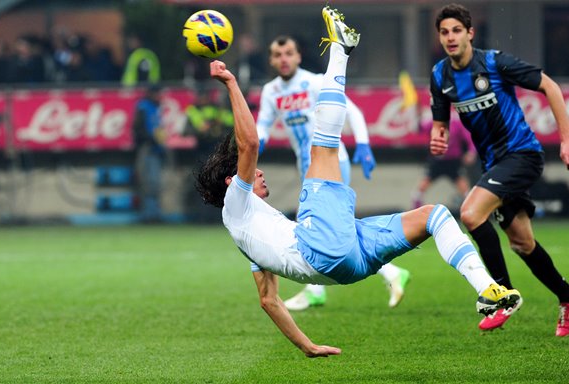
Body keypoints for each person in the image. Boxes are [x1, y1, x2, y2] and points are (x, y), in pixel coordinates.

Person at [195, 6, 521, 357]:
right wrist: (230, 82)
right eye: (249, 173)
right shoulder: (236, 204)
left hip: (348, 266)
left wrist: (307, 346)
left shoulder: (247, 236)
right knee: (321, 148)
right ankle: (340, 48)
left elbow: (268, 300)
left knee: (435, 216)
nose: (258, 173)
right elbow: (250, 143)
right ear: (232, 182)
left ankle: (489, 291)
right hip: (320, 246)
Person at [430, 3, 569, 336]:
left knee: (470, 213)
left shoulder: (494, 62)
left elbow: (549, 86)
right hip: (493, 163)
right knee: (523, 244)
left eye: (456, 30)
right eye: (444, 32)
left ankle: (502, 295)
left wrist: (565, 140)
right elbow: (440, 122)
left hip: (522, 155)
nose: (450, 37)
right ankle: (567, 298)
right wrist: (439, 137)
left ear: (470, 33)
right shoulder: (440, 75)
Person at [256, 34, 410, 311]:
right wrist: (256, 142)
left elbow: (354, 111)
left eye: (289, 53)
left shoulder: (314, 82)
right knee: (329, 227)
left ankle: (320, 289)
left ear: (298, 56)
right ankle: (387, 273)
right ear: (271, 60)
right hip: (306, 167)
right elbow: (263, 125)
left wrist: (363, 145)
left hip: (332, 161)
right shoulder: (271, 91)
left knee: (323, 227)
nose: (284, 59)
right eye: (278, 55)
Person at [412, 115, 476, 210]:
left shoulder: (457, 123)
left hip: (453, 162)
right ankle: (417, 208)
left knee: (465, 190)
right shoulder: (432, 122)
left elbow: (469, 139)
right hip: (437, 161)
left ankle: (471, 209)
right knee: (420, 188)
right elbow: (419, 129)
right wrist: (416, 118)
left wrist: (471, 152)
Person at [132, 84, 166, 223]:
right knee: (148, 183)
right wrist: (151, 138)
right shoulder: (143, 107)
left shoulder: (155, 108)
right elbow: (137, 129)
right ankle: (148, 215)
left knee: (155, 183)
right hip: (146, 149)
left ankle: (154, 213)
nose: (159, 97)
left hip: (155, 150)